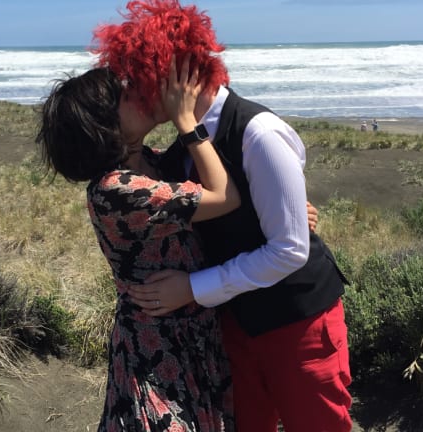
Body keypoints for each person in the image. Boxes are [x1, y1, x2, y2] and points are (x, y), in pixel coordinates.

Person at [92, 1, 353, 431]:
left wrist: (192, 288)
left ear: (177, 73)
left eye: (141, 78)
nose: (135, 92)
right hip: (234, 328)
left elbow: (289, 250)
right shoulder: (177, 153)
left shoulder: (258, 134)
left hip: (298, 325)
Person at [36, 59, 238, 431]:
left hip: (193, 333)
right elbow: (223, 196)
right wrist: (187, 123)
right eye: (125, 96)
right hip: (159, 349)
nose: (139, 94)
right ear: (105, 126)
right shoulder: (116, 190)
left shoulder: (151, 162)